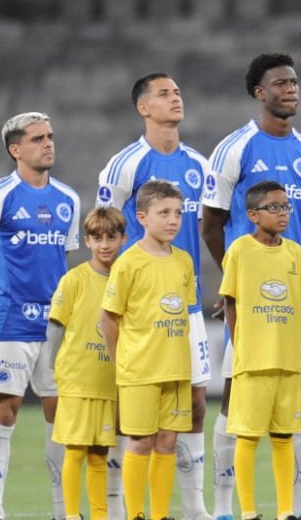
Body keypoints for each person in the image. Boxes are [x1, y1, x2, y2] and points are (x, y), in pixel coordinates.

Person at [202, 52, 301, 520]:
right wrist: (239, 279)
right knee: (237, 393)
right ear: (260, 92)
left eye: (294, 81)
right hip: (254, 301)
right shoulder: (235, 148)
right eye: (280, 83)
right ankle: (224, 507)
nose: (291, 89)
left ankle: (299, 506)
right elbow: (211, 224)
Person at [97, 73, 212, 520]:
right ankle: (125, 508)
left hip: (186, 303)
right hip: (142, 307)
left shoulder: (199, 166)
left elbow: (207, 226)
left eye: (178, 91)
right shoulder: (124, 164)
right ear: (143, 107)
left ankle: (193, 506)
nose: (175, 97)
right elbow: (105, 228)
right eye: (164, 93)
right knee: (137, 427)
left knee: (194, 406)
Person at [0, 112, 81, 520]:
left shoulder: (69, 199)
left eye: (50, 136)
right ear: (16, 149)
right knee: (4, 409)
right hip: (10, 320)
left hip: (55, 326)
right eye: (37, 139)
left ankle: (62, 510)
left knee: (60, 415)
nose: (48, 143)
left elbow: (62, 263)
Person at [100, 180, 196, 520]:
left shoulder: (184, 261)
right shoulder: (129, 263)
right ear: (142, 216)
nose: (173, 220)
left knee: (168, 440)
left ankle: (159, 514)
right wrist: (121, 359)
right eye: (164, 213)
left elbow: (180, 311)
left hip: (176, 367)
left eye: (178, 213)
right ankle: (135, 514)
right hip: (140, 369)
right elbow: (108, 318)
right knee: (140, 441)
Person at [220, 182, 301, 520]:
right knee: (248, 435)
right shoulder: (240, 250)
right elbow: (231, 302)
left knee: (284, 435)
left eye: (285, 206)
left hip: (286, 360)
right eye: (274, 207)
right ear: (253, 215)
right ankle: (248, 512)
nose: (283, 212)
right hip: (253, 360)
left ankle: (286, 511)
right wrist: (241, 344)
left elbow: (294, 303)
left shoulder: (295, 253)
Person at [48, 207, 126, 520]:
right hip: (77, 379)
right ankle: (70, 515)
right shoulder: (74, 280)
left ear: (123, 238)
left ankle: (98, 514)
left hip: (108, 381)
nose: (104, 244)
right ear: (87, 240)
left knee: (100, 452)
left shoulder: (126, 278)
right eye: (97, 237)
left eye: (111, 237)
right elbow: (55, 327)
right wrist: (49, 370)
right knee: (76, 449)